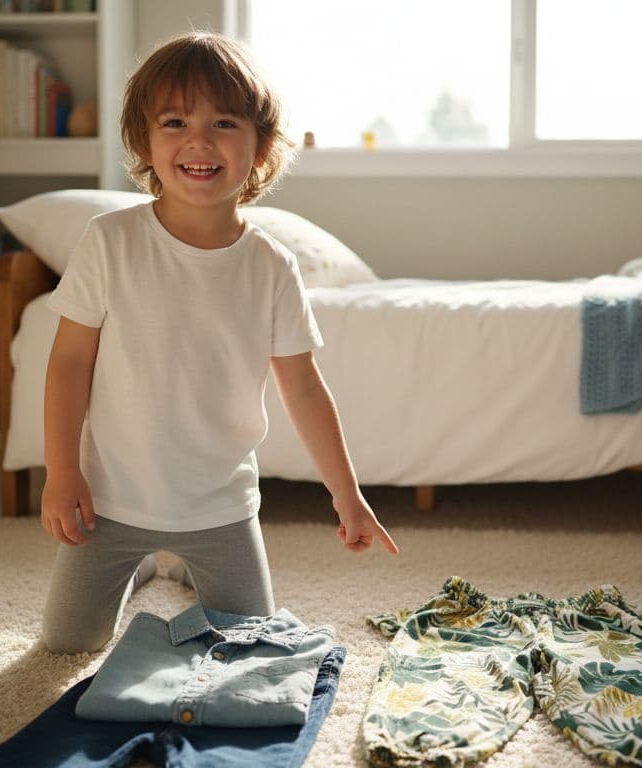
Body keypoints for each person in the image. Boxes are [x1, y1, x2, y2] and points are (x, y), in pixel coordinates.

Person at [38, 32, 399, 655]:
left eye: (224, 123)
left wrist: (348, 495)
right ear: (144, 141)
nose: (198, 141)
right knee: (68, 645)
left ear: (259, 149)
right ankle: (148, 566)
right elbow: (69, 360)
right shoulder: (109, 241)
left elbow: (304, 387)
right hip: (112, 500)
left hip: (221, 510)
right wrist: (62, 471)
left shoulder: (273, 267)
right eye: (174, 121)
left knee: (244, 646)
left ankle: (177, 563)